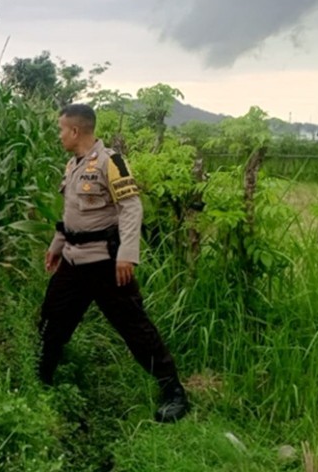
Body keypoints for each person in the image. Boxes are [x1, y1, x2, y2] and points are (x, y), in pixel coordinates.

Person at [38, 103, 190, 423]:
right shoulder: (72, 165)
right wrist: (56, 246)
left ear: (75, 131)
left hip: (106, 262)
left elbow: (131, 208)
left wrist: (127, 255)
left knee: (134, 327)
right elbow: (72, 215)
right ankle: (41, 382)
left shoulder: (112, 162)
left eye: (61, 129)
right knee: (51, 320)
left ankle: (174, 391)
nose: (59, 134)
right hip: (73, 261)